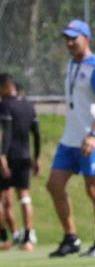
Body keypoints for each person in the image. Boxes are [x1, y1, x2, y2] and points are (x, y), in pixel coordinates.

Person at [47, 20, 95, 258]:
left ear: (87, 38)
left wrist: (94, 134)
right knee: (54, 185)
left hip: (90, 139)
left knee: (94, 190)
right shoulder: (71, 64)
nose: (69, 42)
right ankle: (71, 238)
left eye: (74, 38)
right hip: (70, 138)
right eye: (67, 38)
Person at [0, 74, 41, 251]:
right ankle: (27, 237)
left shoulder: (5, 105)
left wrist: (2, 155)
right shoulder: (28, 105)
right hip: (25, 156)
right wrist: (37, 157)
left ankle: (3, 237)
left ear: (6, 87)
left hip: (8, 157)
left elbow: (7, 132)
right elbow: (36, 133)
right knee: (24, 196)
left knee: (2, 198)